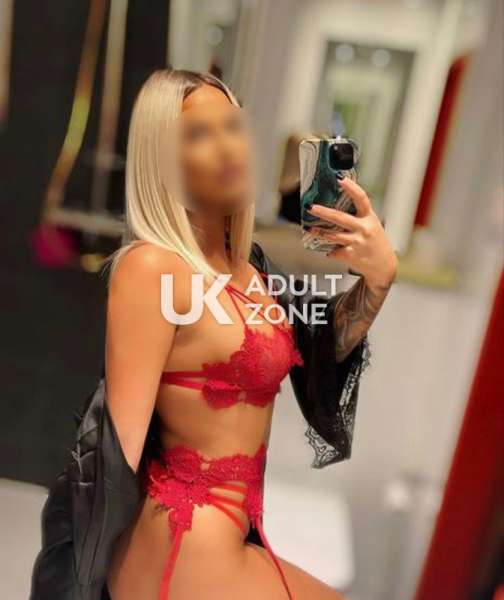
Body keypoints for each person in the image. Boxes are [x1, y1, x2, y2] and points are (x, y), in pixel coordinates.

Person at [30, 69, 397, 600]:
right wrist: (80, 583)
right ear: (163, 159)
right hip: (177, 547)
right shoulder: (152, 267)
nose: (227, 147)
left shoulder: (251, 271)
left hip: (224, 542)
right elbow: (114, 450)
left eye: (233, 127)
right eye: (199, 134)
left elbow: (323, 351)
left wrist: (378, 279)